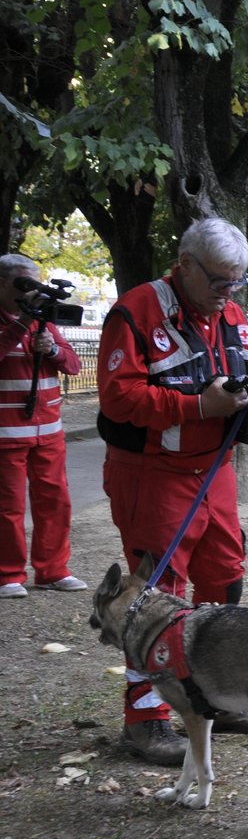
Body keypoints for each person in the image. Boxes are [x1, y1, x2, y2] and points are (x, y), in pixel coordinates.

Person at [97, 218, 248, 764]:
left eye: (237, 282)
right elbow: (118, 399)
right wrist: (198, 407)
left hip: (214, 472)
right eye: (219, 282)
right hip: (151, 474)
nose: (229, 294)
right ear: (185, 264)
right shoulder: (136, 312)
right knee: (156, 595)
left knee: (225, 576)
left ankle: (214, 697)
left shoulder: (229, 312)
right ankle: (145, 722)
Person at [0, 254, 86, 598]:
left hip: (48, 432)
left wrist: (52, 350)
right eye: (24, 283)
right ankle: (8, 575)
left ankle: (52, 571)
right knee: (8, 508)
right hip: (5, 434)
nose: (32, 292)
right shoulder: (23, 322)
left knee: (55, 502)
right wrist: (20, 324)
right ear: (2, 283)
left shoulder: (44, 323)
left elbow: (74, 366)